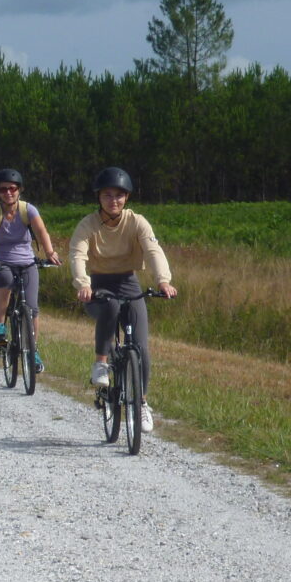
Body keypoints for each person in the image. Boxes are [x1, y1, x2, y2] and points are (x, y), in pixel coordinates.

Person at [68, 166, 178, 433]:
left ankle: (141, 403)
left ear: (126, 197)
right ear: (99, 197)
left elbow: (153, 250)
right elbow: (77, 255)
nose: (113, 200)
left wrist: (163, 280)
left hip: (129, 282)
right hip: (98, 285)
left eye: (119, 195)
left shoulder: (137, 222)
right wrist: (83, 284)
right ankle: (101, 364)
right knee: (111, 307)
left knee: (141, 348)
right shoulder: (88, 224)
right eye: (107, 195)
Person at [0, 168, 60, 370]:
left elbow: (41, 230)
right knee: (4, 281)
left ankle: (33, 352)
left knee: (32, 308)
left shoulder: (28, 210)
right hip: (2, 261)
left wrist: (50, 252)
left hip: (27, 262)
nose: (8, 193)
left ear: (19, 190)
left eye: (12, 189)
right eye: (3, 189)